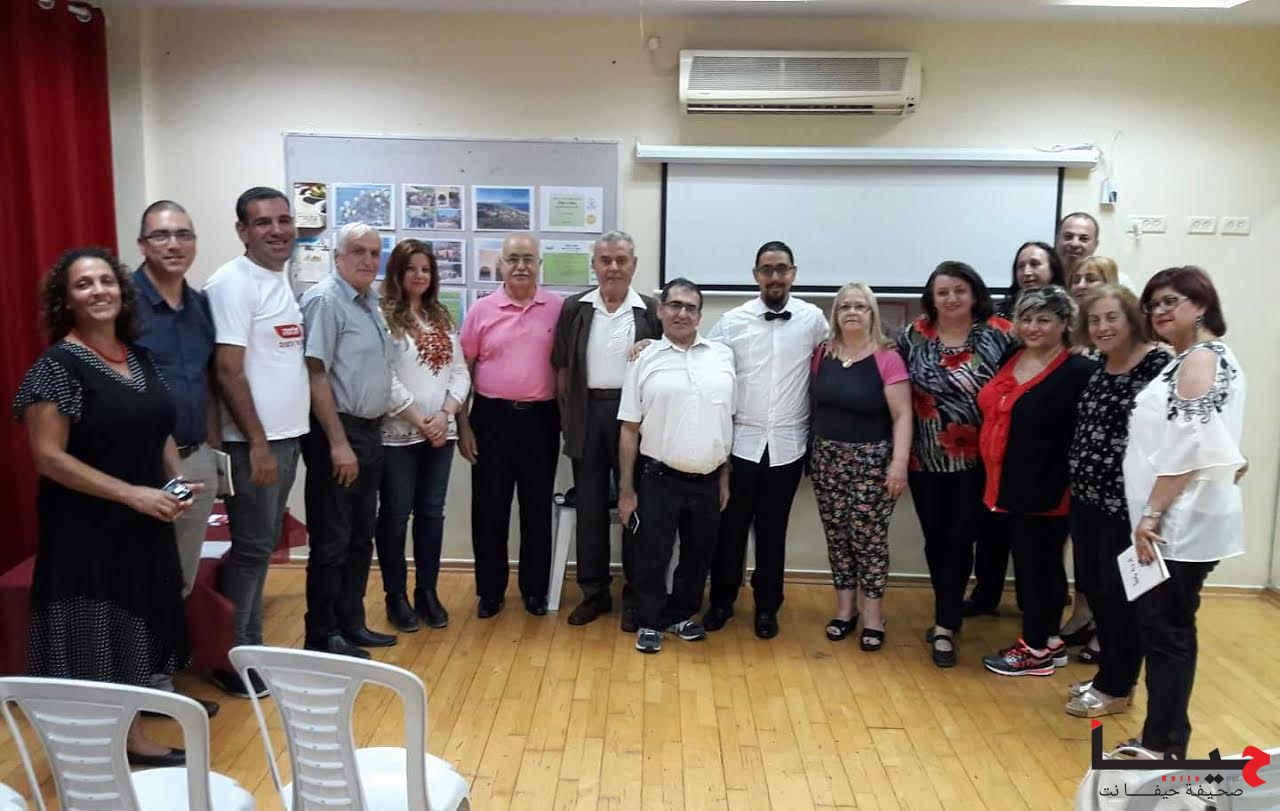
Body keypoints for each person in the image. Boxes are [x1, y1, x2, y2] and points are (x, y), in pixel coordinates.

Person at [13, 247, 193, 767]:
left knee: (135, 629)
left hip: (144, 524)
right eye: (83, 284)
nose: (98, 291)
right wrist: (131, 493)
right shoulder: (56, 366)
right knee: (97, 637)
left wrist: (175, 482)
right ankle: (98, 749)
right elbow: (48, 457)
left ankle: (129, 739)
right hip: (87, 530)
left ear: (121, 290)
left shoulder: (138, 357)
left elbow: (157, 427)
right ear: (66, 300)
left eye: (105, 281)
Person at [1112, 267, 1246, 760]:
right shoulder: (1202, 358)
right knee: (1170, 628)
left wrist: (1151, 515)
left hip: (1177, 524)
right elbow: (1214, 437)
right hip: (1181, 517)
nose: (1159, 311)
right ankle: (1165, 739)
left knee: (1166, 632)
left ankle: (1163, 744)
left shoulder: (1201, 358)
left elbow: (1189, 445)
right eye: (1153, 305)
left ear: (1201, 305)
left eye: (1171, 301)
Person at [204, 186, 309, 697]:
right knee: (250, 550)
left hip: (285, 439)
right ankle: (233, 658)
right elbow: (227, 370)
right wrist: (259, 444)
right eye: (263, 222)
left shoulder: (277, 278)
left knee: (262, 546)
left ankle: (249, 646)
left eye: (284, 220)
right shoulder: (231, 283)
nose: (277, 230)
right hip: (254, 446)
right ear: (242, 232)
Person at [701, 240, 828, 640]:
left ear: (793, 273)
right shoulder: (733, 321)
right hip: (741, 443)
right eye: (767, 269)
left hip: (788, 446)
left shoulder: (813, 320)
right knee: (730, 530)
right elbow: (702, 358)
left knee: (773, 533)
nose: (775, 276)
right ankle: (721, 602)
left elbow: (842, 353)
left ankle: (768, 607)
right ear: (756, 275)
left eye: (782, 269)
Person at [897, 261, 1013, 667]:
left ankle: (945, 625)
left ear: (975, 293)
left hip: (979, 461)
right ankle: (947, 612)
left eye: (959, 290)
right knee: (936, 540)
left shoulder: (1000, 333)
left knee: (961, 540)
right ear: (931, 297)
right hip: (924, 460)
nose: (951, 298)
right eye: (943, 292)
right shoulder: (914, 335)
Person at [300, 222, 408, 658]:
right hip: (338, 432)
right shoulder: (326, 301)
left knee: (362, 535)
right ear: (337, 256)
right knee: (333, 539)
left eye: (374, 252)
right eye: (358, 251)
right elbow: (315, 373)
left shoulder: (369, 303)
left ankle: (351, 622)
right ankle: (322, 634)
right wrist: (337, 443)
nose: (368, 260)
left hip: (369, 432)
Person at [978, 286, 1098, 677]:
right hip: (1005, 481)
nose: (1033, 327)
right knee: (1036, 564)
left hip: (1046, 486)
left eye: (1044, 319)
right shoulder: (1014, 356)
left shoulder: (1079, 371)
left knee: (1037, 568)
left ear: (1064, 324)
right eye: (1026, 319)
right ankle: (1049, 640)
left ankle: (1034, 651)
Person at [131, 200, 220, 717]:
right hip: (140, 466)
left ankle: (158, 674)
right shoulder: (122, 304)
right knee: (142, 572)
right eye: (161, 235)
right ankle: (141, 683)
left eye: (183, 234)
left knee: (180, 574)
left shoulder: (199, 304)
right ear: (142, 244)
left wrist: (209, 455)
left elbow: (207, 379)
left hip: (194, 457)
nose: (173, 244)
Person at [1063, 285, 1170, 717]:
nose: (1102, 327)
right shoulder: (1099, 364)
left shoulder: (1159, 365)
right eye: (1094, 320)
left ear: (1131, 318)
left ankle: (1117, 686)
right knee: (1096, 589)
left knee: (1120, 593)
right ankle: (1110, 674)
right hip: (1087, 497)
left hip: (1127, 504)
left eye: (1112, 317)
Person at [618, 279, 735, 654]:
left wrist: (725, 476)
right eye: (675, 305)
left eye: (690, 307)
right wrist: (626, 490)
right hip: (659, 477)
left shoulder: (722, 356)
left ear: (700, 315)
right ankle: (650, 620)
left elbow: (728, 419)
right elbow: (629, 428)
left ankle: (682, 614)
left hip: (709, 478)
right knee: (652, 556)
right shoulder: (642, 358)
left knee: (698, 556)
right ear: (661, 310)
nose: (682, 313)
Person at [551, 231, 661, 628]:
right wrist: (568, 418)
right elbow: (562, 369)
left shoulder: (651, 311)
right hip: (586, 412)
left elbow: (669, 360)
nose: (613, 268)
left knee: (635, 504)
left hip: (634, 418)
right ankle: (593, 592)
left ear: (634, 265)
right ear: (594, 265)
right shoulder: (574, 309)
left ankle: (634, 596)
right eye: (605, 260)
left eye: (621, 260)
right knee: (590, 505)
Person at [457, 234, 563, 618]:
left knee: (536, 508)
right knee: (489, 508)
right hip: (491, 419)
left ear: (539, 265)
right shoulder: (481, 310)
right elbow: (462, 372)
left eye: (528, 259)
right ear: (500, 264)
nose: (521, 266)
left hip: (541, 419)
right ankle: (490, 591)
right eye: (513, 258)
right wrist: (463, 427)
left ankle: (534, 590)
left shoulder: (558, 308)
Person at [808, 284, 911, 651]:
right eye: (845, 306)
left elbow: (903, 415)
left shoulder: (888, 357)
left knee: (868, 540)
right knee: (837, 537)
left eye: (861, 306)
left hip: (873, 462)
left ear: (872, 314)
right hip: (827, 459)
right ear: (835, 315)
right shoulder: (823, 354)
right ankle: (845, 610)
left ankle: (873, 616)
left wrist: (899, 464)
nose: (852, 312)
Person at [375, 239, 469, 632]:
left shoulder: (440, 316)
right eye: (411, 268)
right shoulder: (382, 316)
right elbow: (384, 377)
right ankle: (395, 596)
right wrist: (420, 420)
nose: (419, 275)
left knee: (431, 513)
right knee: (396, 515)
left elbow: (460, 372)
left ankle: (426, 592)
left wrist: (445, 414)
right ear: (397, 272)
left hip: (440, 435)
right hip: (398, 435)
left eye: (426, 269)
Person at [996, 240, 1065, 319]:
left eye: (1034, 264)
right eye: (1021, 266)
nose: (1026, 272)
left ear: (1052, 270)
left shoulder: (1067, 311)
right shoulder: (1001, 316)